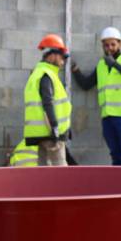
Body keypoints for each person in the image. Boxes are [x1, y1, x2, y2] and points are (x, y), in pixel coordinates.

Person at [72, 27, 121, 165]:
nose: (109, 48)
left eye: (113, 44)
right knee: (115, 154)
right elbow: (86, 84)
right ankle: (119, 185)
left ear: (119, 44)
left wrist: (114, 64)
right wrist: (75, 70)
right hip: (108, 118)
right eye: (106, 45)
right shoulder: (102, 65)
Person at [23, 34, 71, 166]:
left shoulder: (39, 73)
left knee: (43, 170)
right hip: (51, 133)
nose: (63, 61)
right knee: (60, 171)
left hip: (43, 133)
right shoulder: (46, 75)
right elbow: (48, 102)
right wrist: (55, 126)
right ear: (52, 55)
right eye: (62, 56)